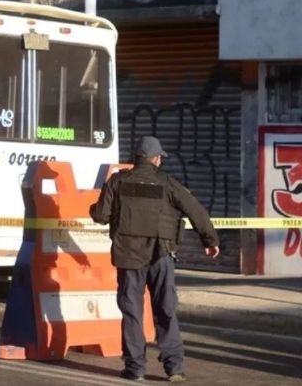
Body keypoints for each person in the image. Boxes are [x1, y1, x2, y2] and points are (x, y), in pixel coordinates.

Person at [90, 136, 220, 383]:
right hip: (161, 254)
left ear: (136, 158)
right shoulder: (168, 183)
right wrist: (210, 241)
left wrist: (92, 210)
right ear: (156, 159)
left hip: (128, 255)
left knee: (132, 312)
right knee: (166, 309)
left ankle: (135, 368)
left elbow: (101, 215)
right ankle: (174, 368)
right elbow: (196, 210)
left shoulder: (117, 182)